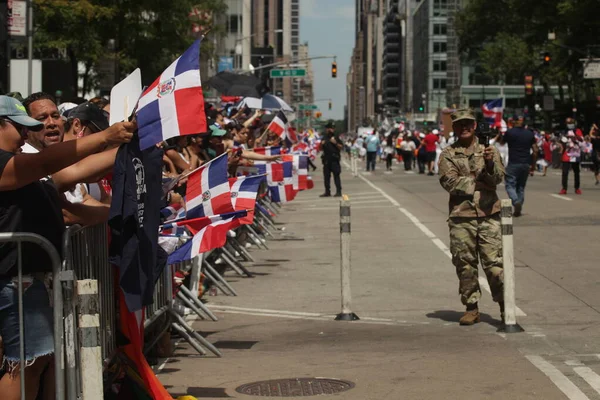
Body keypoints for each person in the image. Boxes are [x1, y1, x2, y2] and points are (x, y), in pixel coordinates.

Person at [0, 95, 133, 400]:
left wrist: (127, 144)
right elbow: (49, 162)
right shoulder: (12, 163)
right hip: (15, 277)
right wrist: (106, 136)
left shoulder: (26, 162)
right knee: (24, 363)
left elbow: (72, 171)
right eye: (19, 127)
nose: (24, 134)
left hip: (31, 276)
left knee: (36, 361)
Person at [438, 109, 505, 326]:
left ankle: (506, 305)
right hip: (461, 217)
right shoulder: (448, 154)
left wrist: (490, 165)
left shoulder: (489, 150)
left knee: (495, 266)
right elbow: (449, 182)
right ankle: (471, 307)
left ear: (475, 126)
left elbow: (497, 180)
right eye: (459, 124)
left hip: (488, 214)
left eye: (468, 124)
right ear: (454, 128)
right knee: (465, 265)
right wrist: (478, 180)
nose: (464, 127)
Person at [497, 117, 537, 217]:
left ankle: (515, 202)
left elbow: (501, 143)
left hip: (513, 163)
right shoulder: (529, 133)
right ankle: (518, 208)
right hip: (526, 163)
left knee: (510, 185)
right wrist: (533, 166)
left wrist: (499, 134)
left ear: (513, 122)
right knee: (521, 187)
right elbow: (535, 150)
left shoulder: (510, 132)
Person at [320, 122, 342, 197]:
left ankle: (338, 191)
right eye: (330, 128)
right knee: (326, 177)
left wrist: (335, 143)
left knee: (336, 176)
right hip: (326, 160)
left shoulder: (336, 136)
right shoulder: (324, 137)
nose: (332, 129)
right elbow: (320, 148)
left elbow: (341, 147)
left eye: (333, 128)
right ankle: (327, 192)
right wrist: (321, 144)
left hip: (334, 159)